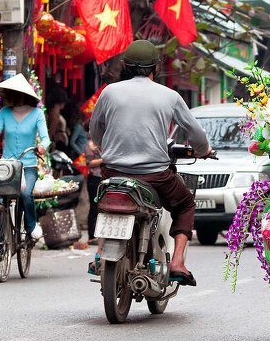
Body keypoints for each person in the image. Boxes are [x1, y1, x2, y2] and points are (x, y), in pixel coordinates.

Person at [89, 40, 212, 285]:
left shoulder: (109, 92)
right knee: (185, 203)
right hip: (155, 176)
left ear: (125, 66)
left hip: (113, 172)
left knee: (104, 203)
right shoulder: (170, 95)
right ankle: (177, 261)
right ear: (155, 67)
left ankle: (100, 253)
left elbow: (95, 131)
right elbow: (196, 135)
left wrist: (109, 148)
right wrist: (204, 150)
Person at [0, 74, 50, 240]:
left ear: (23, 94)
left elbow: (45, 138)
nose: (11, 96)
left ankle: (31, 226)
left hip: (28, 166)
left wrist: (42, 147)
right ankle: (0, 241)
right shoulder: (4, 112)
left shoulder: (37, 114)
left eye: (14, 93)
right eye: (9, 93)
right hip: (7, 166)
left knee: (25, 195)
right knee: (0, 198)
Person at [84, 138, 102, 245]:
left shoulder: (104, 142)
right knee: (94, 206)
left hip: (102, 177)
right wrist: (104, 159)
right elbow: (89, 163)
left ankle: (99, 233)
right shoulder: (90, 145)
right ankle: (91, 235)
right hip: (94, 178)